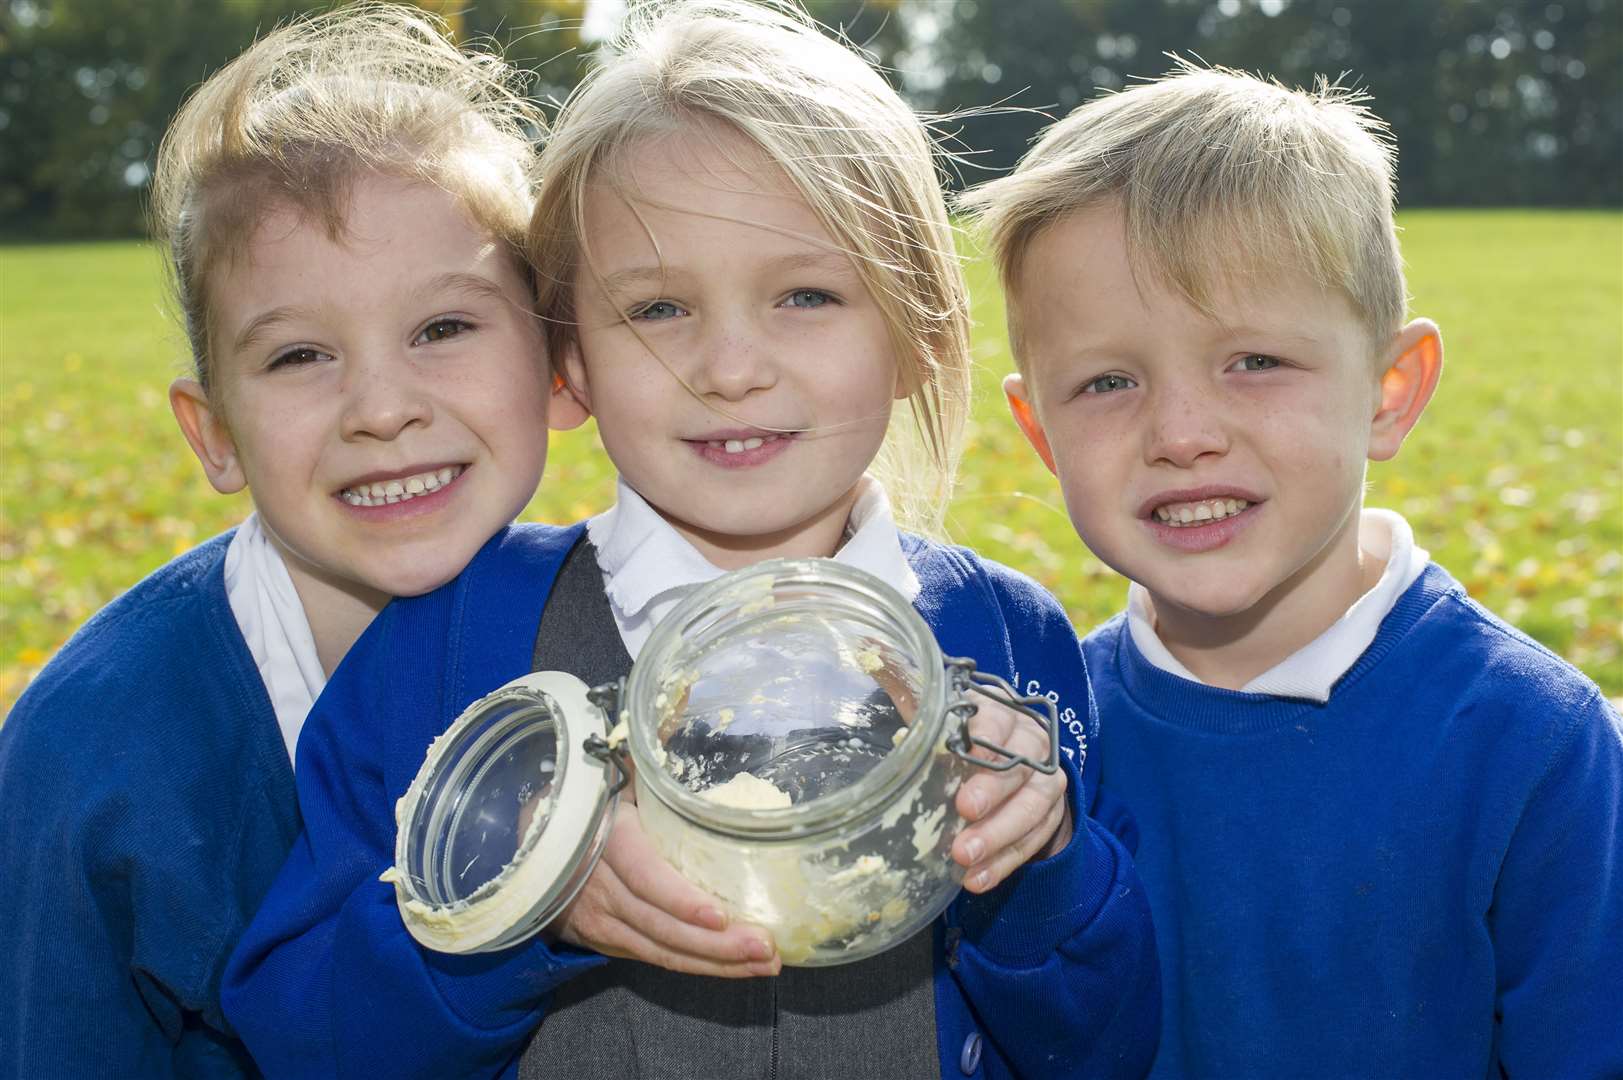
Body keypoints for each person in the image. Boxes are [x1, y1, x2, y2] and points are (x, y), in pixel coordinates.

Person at [222, 3, 1160, 1077]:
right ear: (567, 359)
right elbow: (304, 1037)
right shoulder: (450, 641)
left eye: (807, 295)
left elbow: (1108, 1042)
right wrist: (521, 904)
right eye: (659, 309)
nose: (728, 367)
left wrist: (1043, 868)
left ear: (916, 335)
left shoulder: (1011, 642)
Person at [962, 61, 1623, 1077]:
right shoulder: (1045, 741)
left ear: (1390, 392)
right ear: (1038, 432)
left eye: (1254, 362)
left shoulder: (1533, 742)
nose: (1181, 433)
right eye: (1106, 381)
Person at [0, 6, 578, 1075]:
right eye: (301, 355)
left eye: (443, 328)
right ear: (214, 434)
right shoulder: (92, 758)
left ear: (557, 361)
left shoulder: (613, 630)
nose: (382, 406)